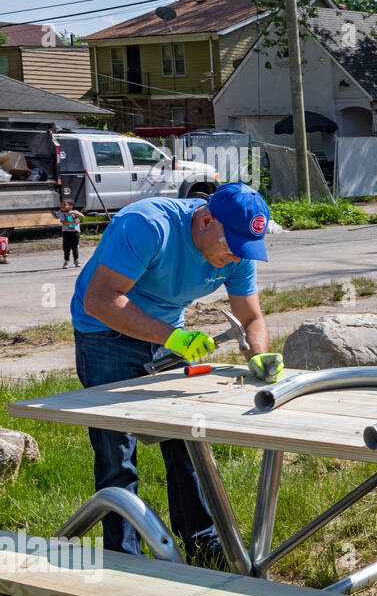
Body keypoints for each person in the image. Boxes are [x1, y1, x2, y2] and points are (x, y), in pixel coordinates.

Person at [70, 183, 284, 568]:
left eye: (243, 249)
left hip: (168, 333)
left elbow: (251, 317)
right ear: (205, 220)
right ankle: (123, 559)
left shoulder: (238, 244)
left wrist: (260, 351)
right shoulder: (146, 226)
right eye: (231, 246)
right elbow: (101, 300)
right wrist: (173, 336)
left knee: (186, 440)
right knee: (116, 451)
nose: (236, 256)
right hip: (104, 333)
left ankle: (202, 543)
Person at [58, 198, 84, 269]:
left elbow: (82, 216)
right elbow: (63, 222)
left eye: (64, 205)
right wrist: (73, 222)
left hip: (75, 232)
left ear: (71, 206)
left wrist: (73, 213)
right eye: (62, 205)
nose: (62, 206)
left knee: (75, 247)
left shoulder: (75, 212)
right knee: (66, 248)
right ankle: (66, 261)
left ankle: (76, 260)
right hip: (66, 232)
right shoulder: (61, 213)